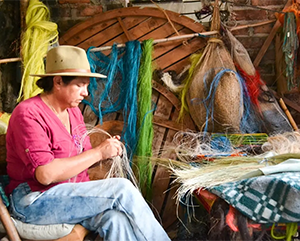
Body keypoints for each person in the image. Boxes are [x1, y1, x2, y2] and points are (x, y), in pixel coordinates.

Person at [5, 45, 171, 241]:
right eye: (80, 85)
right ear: (58, 82)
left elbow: (82, 161)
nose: (86, 93)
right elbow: (45, 174)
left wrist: (107, 150)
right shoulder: (29, 113)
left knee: (115, 219)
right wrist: (99, 152)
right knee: (122, 190)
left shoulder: (73, 111)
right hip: (35, 200)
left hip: (68, 195)